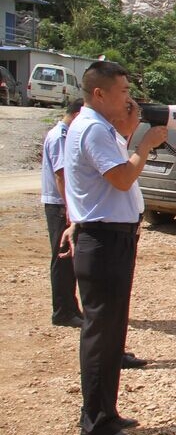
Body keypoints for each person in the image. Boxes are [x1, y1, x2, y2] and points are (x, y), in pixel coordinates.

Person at [63, 61, 168, 435]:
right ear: (99, 94)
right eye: (123, 92)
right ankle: (96, 424)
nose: (129, 98)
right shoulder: (91, 128)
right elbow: (123, 177)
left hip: (111, 237)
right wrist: (144, 146)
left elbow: (115, 160)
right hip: (104, 239)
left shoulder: (99, 127)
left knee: (110, 333)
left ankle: (106, 411)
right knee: (101, 335)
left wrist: (132, 128)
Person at [43, 99, 85, 327]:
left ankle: (69, 307)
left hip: (61, 204)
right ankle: (63, 311)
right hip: (60, 205)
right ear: (77, 114)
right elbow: (62, 175)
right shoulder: (60, 136)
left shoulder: (63, 133)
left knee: (68, 259)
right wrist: (71, 208)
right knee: (63, 258)